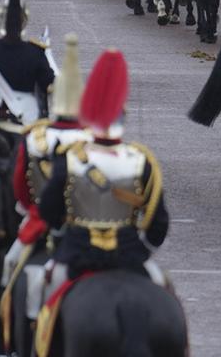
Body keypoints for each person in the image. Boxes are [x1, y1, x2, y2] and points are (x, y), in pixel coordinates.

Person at [38, 50, 169, 301]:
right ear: (123, 114)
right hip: (129, 255)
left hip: (77, 253)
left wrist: (60, 237)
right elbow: (158, 222)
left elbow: (49, 210)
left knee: (41, 294)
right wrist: (143, 248)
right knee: (164, 291)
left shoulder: (70, 157)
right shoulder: (141, 160)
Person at [2, 33, 92, 350]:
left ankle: (6, 346)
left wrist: (32, 214)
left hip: (45, 227)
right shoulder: (96, 140)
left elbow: (21, 191)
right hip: (95, 232)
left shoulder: (35, 138)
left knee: (10, 269)